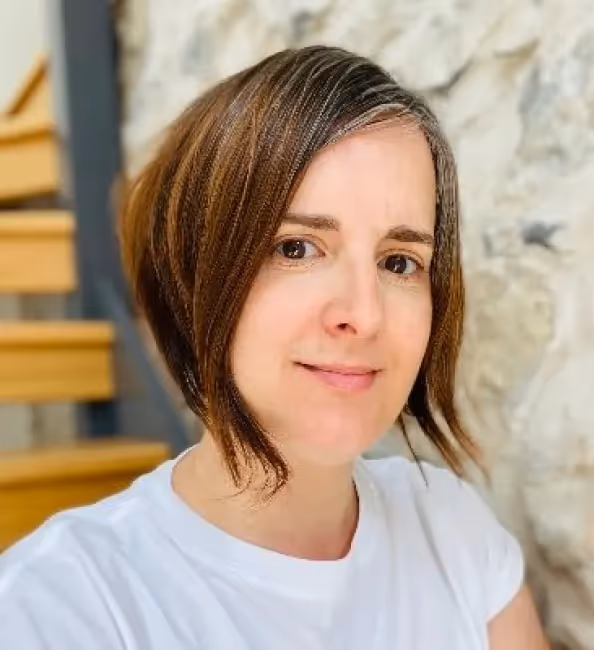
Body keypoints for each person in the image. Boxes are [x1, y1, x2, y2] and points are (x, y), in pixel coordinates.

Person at [0, 46, 549, 649]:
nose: (364, 316)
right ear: (192, 272)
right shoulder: (57, 610)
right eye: (297, 247)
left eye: (399, 261)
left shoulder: (455, 531)